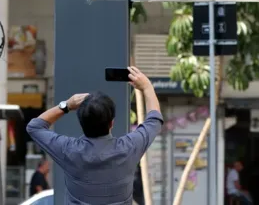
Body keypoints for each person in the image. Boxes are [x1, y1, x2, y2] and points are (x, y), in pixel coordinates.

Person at [26, 66, 163, 205]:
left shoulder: (69, 150)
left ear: (81, 123)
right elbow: (154, 120)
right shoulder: (129, 148)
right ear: (112, 123)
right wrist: (147, 87)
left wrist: (67, 105)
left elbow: (34, 126)